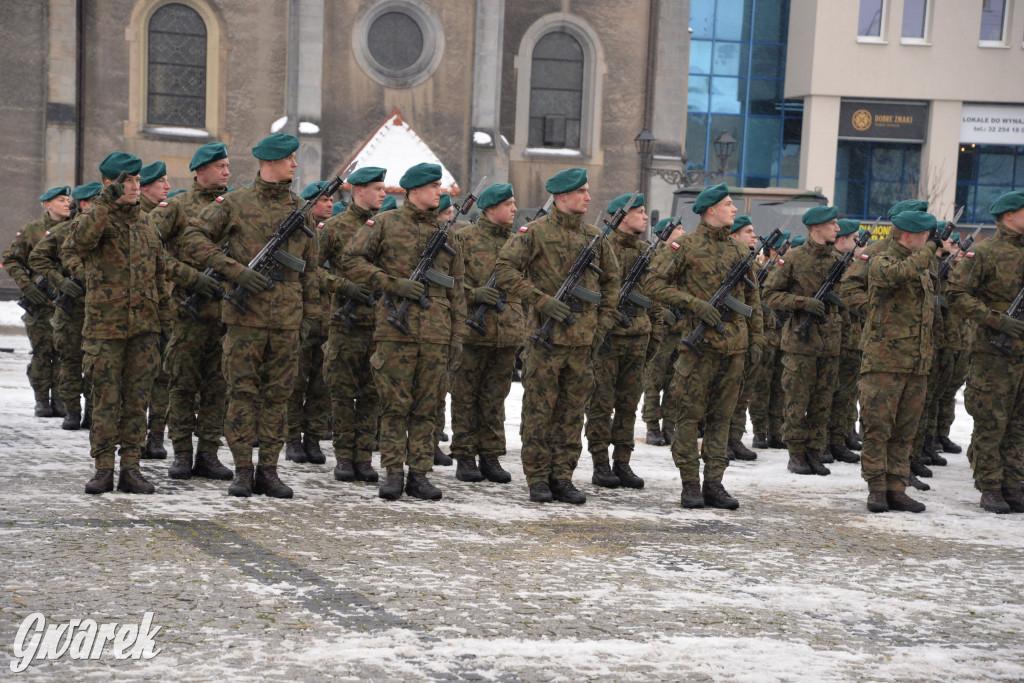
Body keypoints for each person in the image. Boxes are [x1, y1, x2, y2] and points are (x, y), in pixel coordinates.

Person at [184, 133, 320, 498]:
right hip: (245, 317)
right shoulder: (235, 203)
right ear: (271, 161)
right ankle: (243, 470)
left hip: (288, 319)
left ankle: (269, 471)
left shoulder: (300, 207)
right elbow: (193, 238)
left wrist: (309, 317)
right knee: (242, 394)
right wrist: (234, 270)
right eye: (290, 158)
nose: (294, 164)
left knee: (278, 397)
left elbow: (311, 270)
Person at [342, 162, 467, 501]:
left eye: (439, 186)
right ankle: (394, 472)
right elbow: (351, 260)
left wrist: (457, 335)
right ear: (413, 191)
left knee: (428, 407)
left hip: (437, 333)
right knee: (395, 405)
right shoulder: (384, 223)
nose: (439, 191)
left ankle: (420, 475)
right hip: (396, 330)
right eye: (433, 186)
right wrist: (391, 284)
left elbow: (458, 287)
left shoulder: (448, 233)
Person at [493, 168, 620, 504]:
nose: (588, 198)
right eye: (582, 193)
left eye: (588, 192)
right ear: (562, 197)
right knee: (539, 411)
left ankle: (562, 476)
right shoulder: (534, 233)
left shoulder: (595, 238)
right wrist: (540, 300)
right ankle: (537, 477)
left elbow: (611, 283)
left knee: (571, 412)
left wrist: (603, 321)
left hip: (582, 344)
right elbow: (504, 270)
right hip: (545, 342)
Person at [646, 182, 764, 509]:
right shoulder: (685, 247)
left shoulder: (741, 252)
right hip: (698, 348)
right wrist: (694, 304)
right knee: (689, 416)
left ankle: (714, 482)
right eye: (728, 204)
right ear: (711, 210)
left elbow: (752, 300)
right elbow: (653, 283)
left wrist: (757, 339)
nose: (734, 209)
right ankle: (689, 483)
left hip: (734, 348)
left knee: (722, 418)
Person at [70, 152, 171, 494]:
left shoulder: (146, 222)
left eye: (137, 181)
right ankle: (102, 468)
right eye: (128, 182)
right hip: (105, 328)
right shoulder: (98, 217)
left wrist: (165, 320)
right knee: (105, 400)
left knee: (136, 400)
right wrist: (104, 201)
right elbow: (82, 241)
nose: (135, 187)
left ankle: (131, 467)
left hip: (143, 328)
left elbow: (160, 273)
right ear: (111, 184)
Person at [149, 142, 234, 482]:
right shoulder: (177, 206)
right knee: (182, 384)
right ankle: (182, 453)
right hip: (186, 312)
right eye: (220, 166)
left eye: (228, 166)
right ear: (200, 171)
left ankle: (209, 454)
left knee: (218, 386)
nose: (227, 171)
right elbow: (150, 247)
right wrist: (190, 277)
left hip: (227, 311)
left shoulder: (234, 206)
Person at [947, 189, 1024, 514]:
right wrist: (996, 321)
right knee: (992, 423)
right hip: (994, 354)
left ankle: (1013, 484)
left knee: (1019, 424)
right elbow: (955, 293)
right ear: (1009, 215)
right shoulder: (985, 252)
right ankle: (991, 486)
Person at [858, 210, 940, 513]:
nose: (929, 241)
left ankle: (897, 487)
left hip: (916, 364)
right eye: (925, 236)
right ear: (908, 235)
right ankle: (877, 489)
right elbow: (896, 275)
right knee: (878, 428)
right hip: (884, 362)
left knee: (906, 431)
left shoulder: (920, 265)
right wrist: (931, 249)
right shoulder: (881, 260)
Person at [449, 182, 523, 484]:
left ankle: (490, 455)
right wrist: (474, 293)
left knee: (496, 397)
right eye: (509, 204)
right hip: (471, 330)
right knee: (465, 395)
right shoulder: (463, 238)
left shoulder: (519, 242)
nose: (515, 209)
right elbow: (448, 280)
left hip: (506, 332)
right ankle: (465, 456)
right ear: (491, 208)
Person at [763, 205, 844, 477]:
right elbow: (770, 294)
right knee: (798, 399)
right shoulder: (794, 258)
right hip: (800, 342)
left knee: (823, 400)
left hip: (831, 342)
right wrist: (803, 303)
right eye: (832, 223)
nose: (837, 228)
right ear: (815, 227)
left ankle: (814, 451)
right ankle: (796, 453)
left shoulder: (840, 261)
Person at [319, 166, 387, 484]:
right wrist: (343, 287)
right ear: (358, 191)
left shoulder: (388, 227)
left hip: (380, 325)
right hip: (346, 323)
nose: (383, 193)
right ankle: (344, 457)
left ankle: (364, 458)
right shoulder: (333, 228)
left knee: (372, 395)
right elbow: (310, 270)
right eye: (377, 188)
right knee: (343, 395)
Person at [584, 192, 654, 489]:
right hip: (607, 340)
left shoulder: (646, 251)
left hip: (638, 337)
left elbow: (654, 295)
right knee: (600, 404)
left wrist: (656, 331)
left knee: (628, 404)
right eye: (639, 211)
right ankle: (600, 463)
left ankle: (622, 461)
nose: (646, 217)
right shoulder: (600, 247)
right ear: (623, 217)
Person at [27, 183, 101, 429]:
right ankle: (71, 411)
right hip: (71, 310)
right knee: (70, 361)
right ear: (84, 204)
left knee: (96, 363)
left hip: (100, 309)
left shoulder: (107, 231)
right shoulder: (63, 230)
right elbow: (36, 258)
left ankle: (91, 411)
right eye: (95, 200)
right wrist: (60, 282)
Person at [3, 185, 72, 417]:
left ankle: (61, 399)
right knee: (43, 353)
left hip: (66, 304)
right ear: (47, 204)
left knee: (65, 354)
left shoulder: (76, 229)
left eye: (68, 200)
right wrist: (27, 286)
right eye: (61, 200)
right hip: (40, 305)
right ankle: (42, 400)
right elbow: (11, 260)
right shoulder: (32, 230)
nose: (67, 204)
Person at [284, 180, 335, 465]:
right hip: (301, 317)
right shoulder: (298, 233)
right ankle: (292, 438)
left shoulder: (333, 232)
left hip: (328, 319)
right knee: (295, 381)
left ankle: (313, 438)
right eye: (322, 200)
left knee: (321, 383)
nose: (328, 204)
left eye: (331, 200)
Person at [824, 219, 865, 465]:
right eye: (855, 239)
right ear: (842, 241)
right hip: (833, 339)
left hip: (852, 339)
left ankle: (839, 438)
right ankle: (826, 441)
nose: (859, 243)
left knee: (847, 394)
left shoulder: (851, 265)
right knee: (831, 394)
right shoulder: (832, 264)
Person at [642, 216, 685, 446]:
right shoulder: (652, 257)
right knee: (654, 379)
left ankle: (669, 424)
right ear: (666, 233)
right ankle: (652, 425)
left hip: (679, 329)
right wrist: (659, 310)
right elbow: (645, 289)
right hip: (660, 328)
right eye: (678, 228)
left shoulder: (682, 257)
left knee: (675, 381)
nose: (683, 231)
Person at [138, 160, 172, 459]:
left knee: (163, 376)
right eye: (161, 182)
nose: (168, 186)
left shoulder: (170, 215)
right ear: (144, 187)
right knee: (136, 378)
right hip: (136, 309)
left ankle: (156, 436)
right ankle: (133, 437)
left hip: (167, 305)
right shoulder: (134, 218)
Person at [725, 215, 762, 461]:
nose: (754, 236)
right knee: (725, 394)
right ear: (734, 236)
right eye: (748, 231)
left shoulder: (753, 265)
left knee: (742, 391)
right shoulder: (729, 261)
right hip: (727, 334)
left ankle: (734, 437)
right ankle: (720, 440)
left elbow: (755, 304)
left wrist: (758, 336)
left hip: (747, 334)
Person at [751, 230, 791, 450]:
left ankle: (776, 430)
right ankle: (759, 430)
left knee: (780, 386)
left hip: (783, 335)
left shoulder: (786, 271)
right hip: (766, 334)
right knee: (761, 385)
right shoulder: (760, 271)